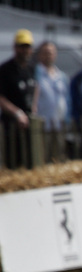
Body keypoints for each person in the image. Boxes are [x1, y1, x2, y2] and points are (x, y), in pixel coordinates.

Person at [0, 29, 35, 169]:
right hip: (12, 124)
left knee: (31, 161)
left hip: (30, 123)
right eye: (21, 46)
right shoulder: (5, 70)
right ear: (15, 47)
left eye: (27, 47)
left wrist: (34, 105)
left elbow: (35, 87)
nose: (24, 50)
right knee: (14, 162)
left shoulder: (31, 68)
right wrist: (17, 113)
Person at [32, 41, 70, 162]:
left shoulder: (61, 76)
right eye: (45, 53)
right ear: (39, 55)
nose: (48, 56)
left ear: (55, 55)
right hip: (43, 125)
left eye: (51, 53)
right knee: (43, 158)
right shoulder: (35, 74)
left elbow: (67, 98)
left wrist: (68, 118)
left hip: (59, 124)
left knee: (59, 158)